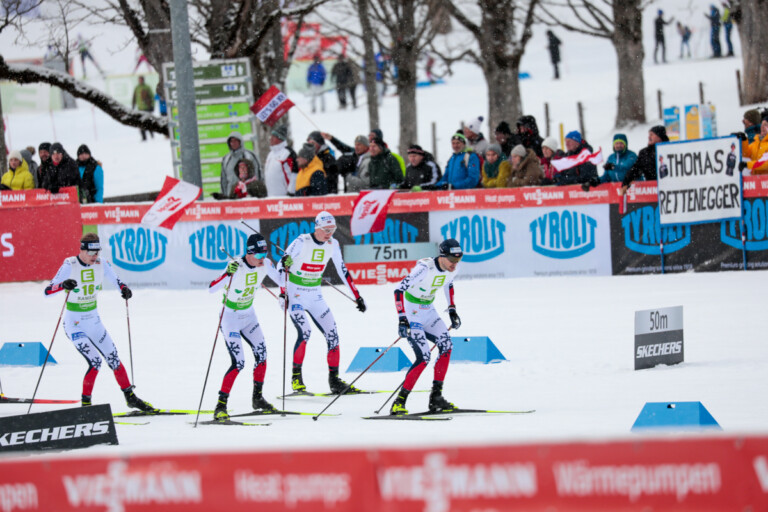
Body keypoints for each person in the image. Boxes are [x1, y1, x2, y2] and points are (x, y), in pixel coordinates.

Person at [44, 233, 154, 411]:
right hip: (74, 324)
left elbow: (116, 280)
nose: (94, 257)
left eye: (97, 252)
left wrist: (124, 289)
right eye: (91, 253)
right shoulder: (69, 264)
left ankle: (130, 397)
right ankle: (86, 405)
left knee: (114, 359)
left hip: (94, 322)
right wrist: (62, 285)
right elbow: (47, 291)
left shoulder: (102, 263)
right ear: (82, 250)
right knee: (95, 362)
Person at [278, 211, 367, 395]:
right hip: (296, 295)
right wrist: (282, 293)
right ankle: (296, 380)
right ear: (316, 227)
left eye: (332, 229)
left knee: (333, 334)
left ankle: (334, 381)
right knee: (305, 332)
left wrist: (357, 295)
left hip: (315, 295)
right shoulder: (302, 241)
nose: (329, 233)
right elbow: (281, 267)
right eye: (326, 229)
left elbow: (343, 270)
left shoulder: (333, 244)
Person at [208, 233, 284, 420]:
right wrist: (227, 274)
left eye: (264, 254)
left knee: (262, 355)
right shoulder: (235, 266)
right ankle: (220, 406)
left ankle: (257, 398)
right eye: (258, 255)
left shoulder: (265, 263)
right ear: (249, 253)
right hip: (230, 317)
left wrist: (285, 265)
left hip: (249, 315)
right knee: (239, 362)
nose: (262, 259)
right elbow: (211, 288)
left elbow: (282, 281)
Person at [390, 239, 464, 415]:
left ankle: (436, 398)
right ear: (442, 256)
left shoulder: (452, 267)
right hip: (412, 312)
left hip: (429, 311)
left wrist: (452, 308)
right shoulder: (424, 268)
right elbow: (398, 290)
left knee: (446, 346)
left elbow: (448, 283)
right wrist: (402, 319)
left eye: (458, 260)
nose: (455, 265)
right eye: (452, 261)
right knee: (423, 357)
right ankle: (399, 402)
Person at [620, 125, 670, 195]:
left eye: (652, 135)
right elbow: (636, 169)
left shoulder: (670, 150)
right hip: (652, 192)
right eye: (649, 135)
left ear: (659, 137)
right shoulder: (645, 153)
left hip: (669, 190)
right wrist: (626, 182)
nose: (649, 137)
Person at [221, 132, 261, 199]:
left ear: (240, 142)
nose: (233, 143)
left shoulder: (249, 156)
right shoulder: (227, 159)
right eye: (231, 141)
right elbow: (224, 180)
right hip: (231, 196)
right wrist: (224, 196)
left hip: (248, 196)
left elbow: (257, 175)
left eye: (236, 141)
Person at [264, 125, 298, 197]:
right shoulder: (270, 154)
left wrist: (291, 192)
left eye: (274, 137)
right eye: (271, 136)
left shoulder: (288, 153)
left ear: (280, 138)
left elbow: (295, 173)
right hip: (271, 197)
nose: (271, 139)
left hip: (285, 197)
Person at [131, 76, 155, 141]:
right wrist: (133, 105)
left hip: (147, 107)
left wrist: (152, 106)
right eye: (139, 80)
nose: (140, 81)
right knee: (141, 123)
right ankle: (144, 137)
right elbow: (134, 97)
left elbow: (152, 96)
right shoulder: (137, 87)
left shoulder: (147, 87)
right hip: (140, 108)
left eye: (141, 80)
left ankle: (151, 134)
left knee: (148, 122)